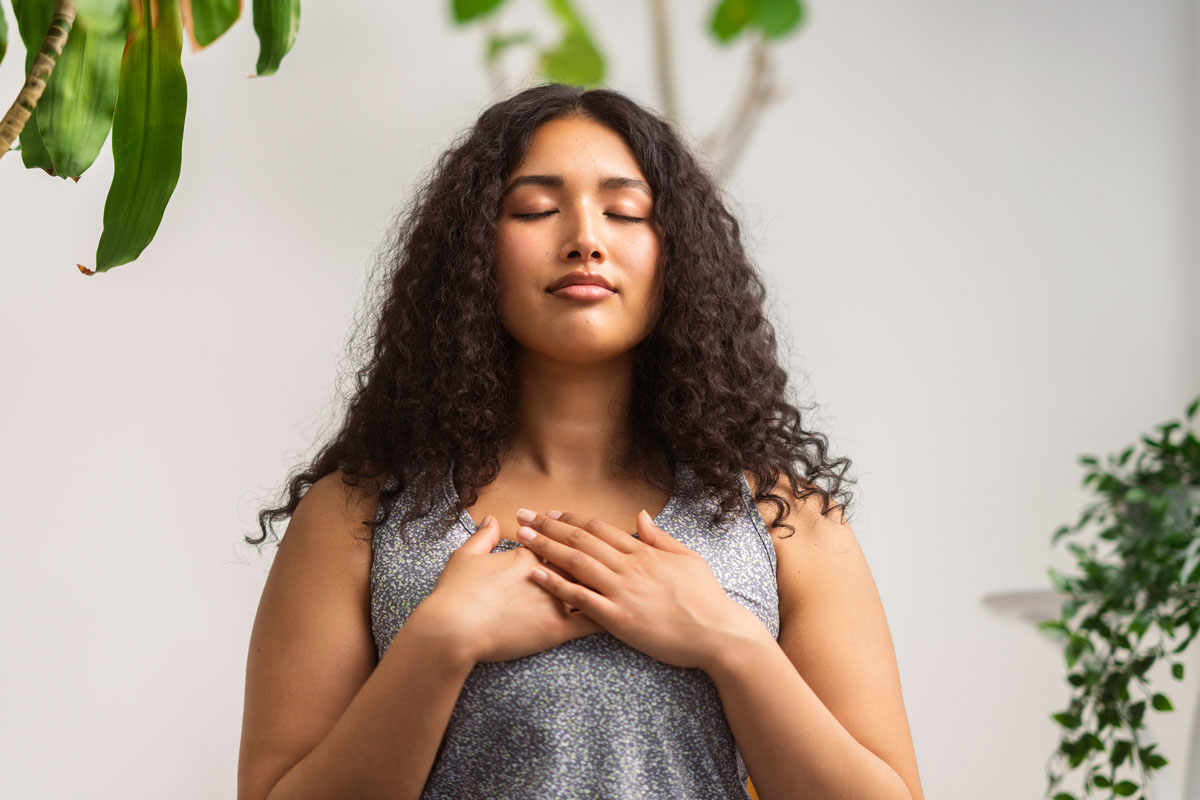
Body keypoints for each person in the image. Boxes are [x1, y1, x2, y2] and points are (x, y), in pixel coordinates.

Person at [237, 83, 923, 800]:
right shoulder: (356, 516)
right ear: (473, 251)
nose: (585, 239)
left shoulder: (784, 518)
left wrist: (729, 639)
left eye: (625, 211)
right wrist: (437, 645)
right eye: (536, 208)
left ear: (677, 253)